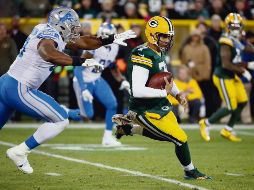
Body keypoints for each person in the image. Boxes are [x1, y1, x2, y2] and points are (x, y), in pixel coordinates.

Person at [0, 7, 136, 174]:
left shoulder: (46, 29)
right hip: (19, 88)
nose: (74, 28)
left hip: (6, 82)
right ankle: (20, 151)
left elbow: (84, 42)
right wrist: (82, 62)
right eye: (71, 24)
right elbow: (48, 53)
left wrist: (112, 38)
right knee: (60, 120)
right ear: (61, 24)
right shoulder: (51, 35)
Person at [112, 16, 210, 179]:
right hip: (144, 109)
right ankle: (190, 170)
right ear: (152, 34)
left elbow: (166, 79)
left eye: (169, 36)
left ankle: (129, 128)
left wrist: (177, 94)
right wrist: (165, 93)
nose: (167, 39)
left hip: (159, 105)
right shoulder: (142, 54)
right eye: (164, 35)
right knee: (180, 138)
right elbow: (137, 90)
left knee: (168, 136)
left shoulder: (157, 51)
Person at [199, 13, 254, 142]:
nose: (235, 29)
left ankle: (227, 130)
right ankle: (205, 123)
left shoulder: (235, 40)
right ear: (227, 26)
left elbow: (246, 50)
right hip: (222, 76)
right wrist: (245, 68)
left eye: (238, 26)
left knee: (243, 101)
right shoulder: (225, 41)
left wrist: (246, 45)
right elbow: (226, 64)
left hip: (232, 75)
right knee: (230, 106)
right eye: (233, 26)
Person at [73, 22, 130, 146]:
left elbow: (111, 65)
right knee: (87, 115)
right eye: (104, 35)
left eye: (109, 35)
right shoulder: (93, 45)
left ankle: (107, 137)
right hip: (83, 80)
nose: (107, 38)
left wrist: (122, 80)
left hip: (97, 79)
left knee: (112, 104)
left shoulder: (115, 47)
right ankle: (64, 112)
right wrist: (83, 89)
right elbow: (78, 68)